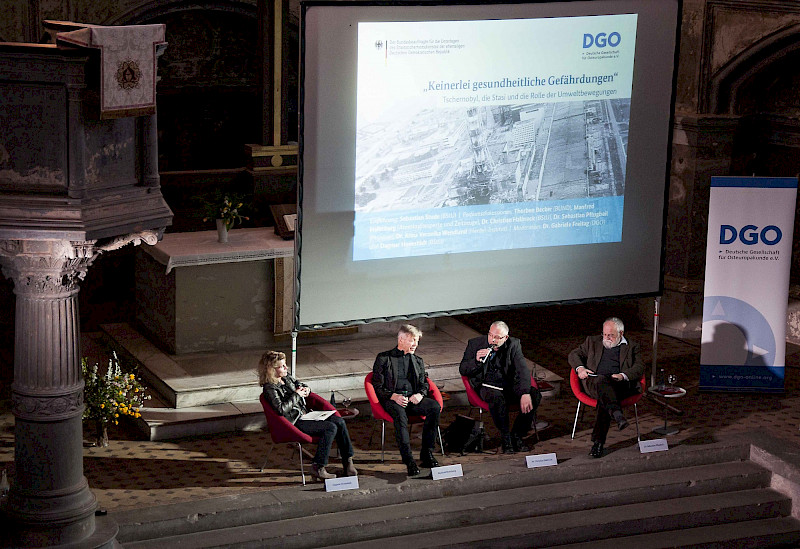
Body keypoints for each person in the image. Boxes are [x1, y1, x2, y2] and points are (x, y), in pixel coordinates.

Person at [259, 350, 357, 481]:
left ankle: (347, 460)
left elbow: (300, 384)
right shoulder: (270, 388)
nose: (286, 368)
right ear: (271, 369)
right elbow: (281, 409)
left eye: (285, 364)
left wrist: (305, 389)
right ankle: (318, 467)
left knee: (339, 421)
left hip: (306, 414)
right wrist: (297, 395)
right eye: (282, 366)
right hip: (293, 422)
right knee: (330, 428)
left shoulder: (286, 378)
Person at [568, 317, 645, 458]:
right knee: (602, 381)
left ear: (621, 334)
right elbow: (573, 354)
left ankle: (598, 442)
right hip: (594, 382)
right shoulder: (592, 342)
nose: (606, 338)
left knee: (606, 398)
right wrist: (580, 369)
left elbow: (639, 367)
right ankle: (616, 415)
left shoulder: (632, 346)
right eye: (604, 334)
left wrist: (623, 375)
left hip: (619, 384)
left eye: (611, 335)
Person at [459, 321, 541, 454]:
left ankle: (517, 435)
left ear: (506, 338)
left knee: (535, 395)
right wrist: (476, 360)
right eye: (491, 335)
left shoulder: (514, 344)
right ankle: (506, 437)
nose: (493, 340)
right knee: (497, 399)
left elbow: (522, 370)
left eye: (497, 337)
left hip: (507, 385)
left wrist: (525, 393)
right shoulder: (475, 344)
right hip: (485, 386)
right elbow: (463, 369)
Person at [372, 324, 441, 476]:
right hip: (392, 399)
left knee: (434, 407)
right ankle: (408, 459)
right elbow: (377, 385)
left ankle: (427, 453)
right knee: (400, 416)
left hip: (413, 398)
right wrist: (393, 396)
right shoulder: (384, 358)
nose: (415, 344)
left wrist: (420, 395)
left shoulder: (418, 360)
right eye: (412, 340)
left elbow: (424, 383)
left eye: (416, 340)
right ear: (401, 339)